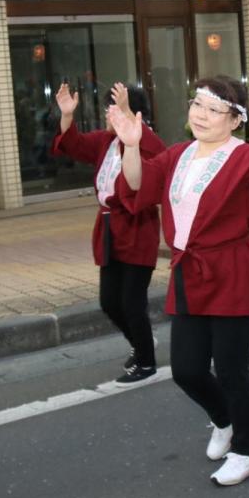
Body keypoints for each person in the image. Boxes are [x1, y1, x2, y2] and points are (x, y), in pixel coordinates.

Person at [114, 76, 249, 486]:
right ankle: (223, 419)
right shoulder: (178, 155)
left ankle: (246, 451)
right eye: (197, 105)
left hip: (233, 271)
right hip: (190, 271)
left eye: (213, 109)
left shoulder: (246, 157)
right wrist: (131, 144)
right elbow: (137, 184)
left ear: (235, 120)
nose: (201, 115)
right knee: (186, 369)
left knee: (231, 371)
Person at [52, 82, 166, 385]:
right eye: (109, 109)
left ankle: (146, 362)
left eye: (115, 109)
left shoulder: (143, 139)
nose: (109, 116)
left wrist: (128, 115)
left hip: (137, 226)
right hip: (108, 227)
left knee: (132, 300)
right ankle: (142, 342)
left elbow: (157, 153)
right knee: (108, 301)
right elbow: (73, 144)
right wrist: (66, 116)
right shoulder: (105, 141)